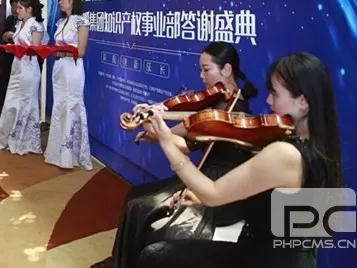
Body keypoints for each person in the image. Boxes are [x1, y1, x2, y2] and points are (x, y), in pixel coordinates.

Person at [135, 52, 342, 267]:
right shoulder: (319, 146)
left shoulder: (286, 154)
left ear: (303, 102)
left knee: (156, 256)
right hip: (291, 257)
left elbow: (213, 194)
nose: (268, 101)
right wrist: (200, 196)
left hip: (266, 260)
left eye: (275, 94)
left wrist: (167, 143)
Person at [94, 41, 258, 268]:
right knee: (135, 197)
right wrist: (156, 123)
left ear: (227, 69)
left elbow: (183, 145)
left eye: (206, 69)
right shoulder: (219, 101)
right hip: (205, 174)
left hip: (217, 183)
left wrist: (160, 132)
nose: (201, 76)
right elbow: (185, 133)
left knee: (141, 205)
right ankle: (123, 261)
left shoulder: (232, 110)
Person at [0, 0, 47, 155]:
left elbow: (35, 49)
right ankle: (9, 136)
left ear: (29, 9)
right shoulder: (20, 23)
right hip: (17, 66)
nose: (17, 10)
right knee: (12, 101)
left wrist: (19, 49)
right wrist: (10, 48)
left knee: (26, 102)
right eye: (17, 8)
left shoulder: (36, 25)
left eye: (20, 8)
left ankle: (25, 140)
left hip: (29, 68)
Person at [44, 0, 92, 170]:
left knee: (72, 105)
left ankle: (71, 153)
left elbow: (81, 51)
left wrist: (62, 52)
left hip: (73, 68)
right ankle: (57, 152)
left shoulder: (81, 21)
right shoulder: (61, 22)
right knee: (60, 107)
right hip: (59, 68)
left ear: (72, 1)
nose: (60, 2)